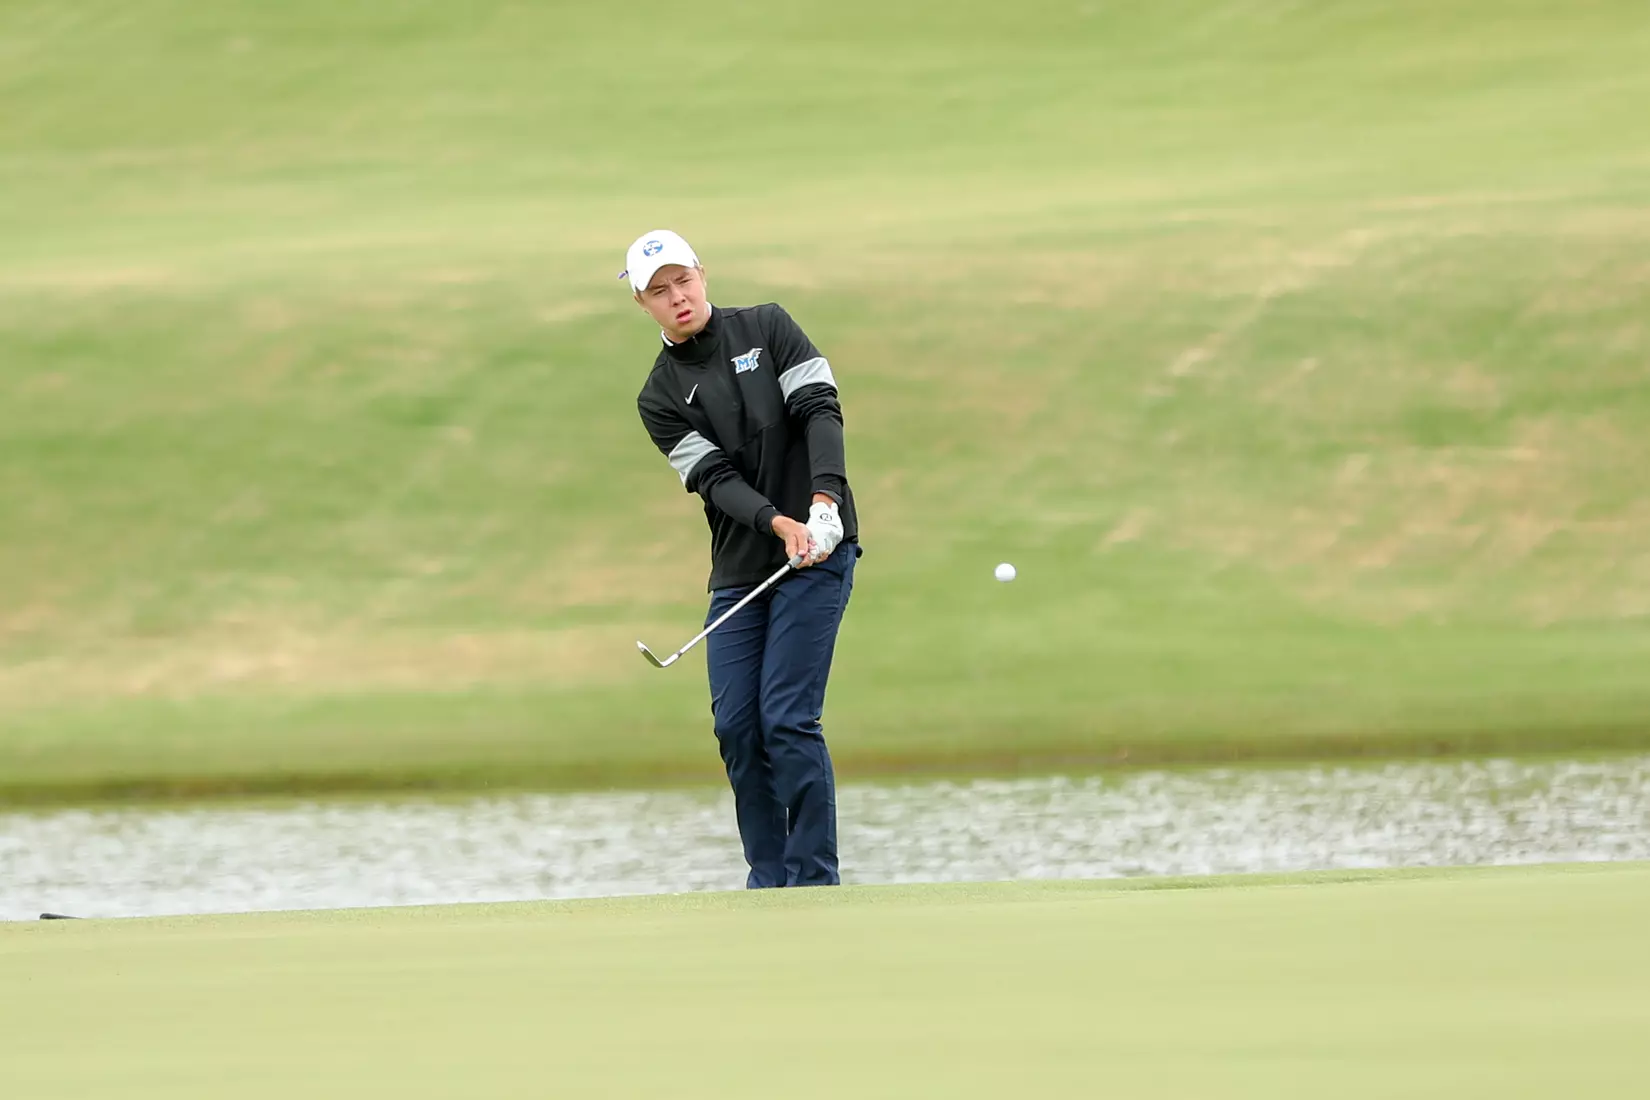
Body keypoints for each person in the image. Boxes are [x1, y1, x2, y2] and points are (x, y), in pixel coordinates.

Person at [625, 229, 861, 888]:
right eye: (659, 291)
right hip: (742, 567)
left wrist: (823, 504)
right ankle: (769, 878)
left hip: (819, 548)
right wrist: (775, 521)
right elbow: (716, 479)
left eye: (683, 280)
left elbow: (820, 410)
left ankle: (812, 880)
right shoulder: (660, 396)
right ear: (642, 304)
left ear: (702, 272)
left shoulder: (769, 327)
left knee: (787, 717)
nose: (678, 297)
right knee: (736, 725)